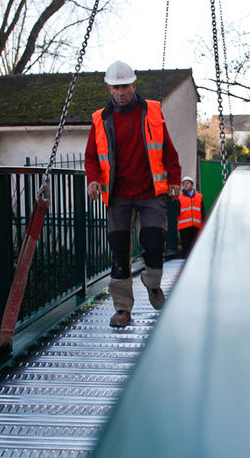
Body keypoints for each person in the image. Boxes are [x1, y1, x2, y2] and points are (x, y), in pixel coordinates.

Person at [84, 60, 181, 328]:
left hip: (150, 192)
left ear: (134, 85)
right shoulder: (100, 119)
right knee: (119, 251)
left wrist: (174, 180)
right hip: (118, 195)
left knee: (154, 241)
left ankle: (152, 284)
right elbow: (91, 157)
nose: (120, 92)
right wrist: (93, 180)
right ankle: (122, 309)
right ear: (109, 89)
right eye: (115, 87)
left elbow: (168, 152)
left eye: (124, 86)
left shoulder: (152, 112)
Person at [176, 176, 205, 258]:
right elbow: (176, 212)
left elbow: (202, 211)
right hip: (184, 227)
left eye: (187, 183)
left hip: (196, 226)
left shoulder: (199, 196)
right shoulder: (180, 197)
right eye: (184, 184)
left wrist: (203, 222)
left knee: (196, 246)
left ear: (192, 184)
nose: (185, 185)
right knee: (186, 246)